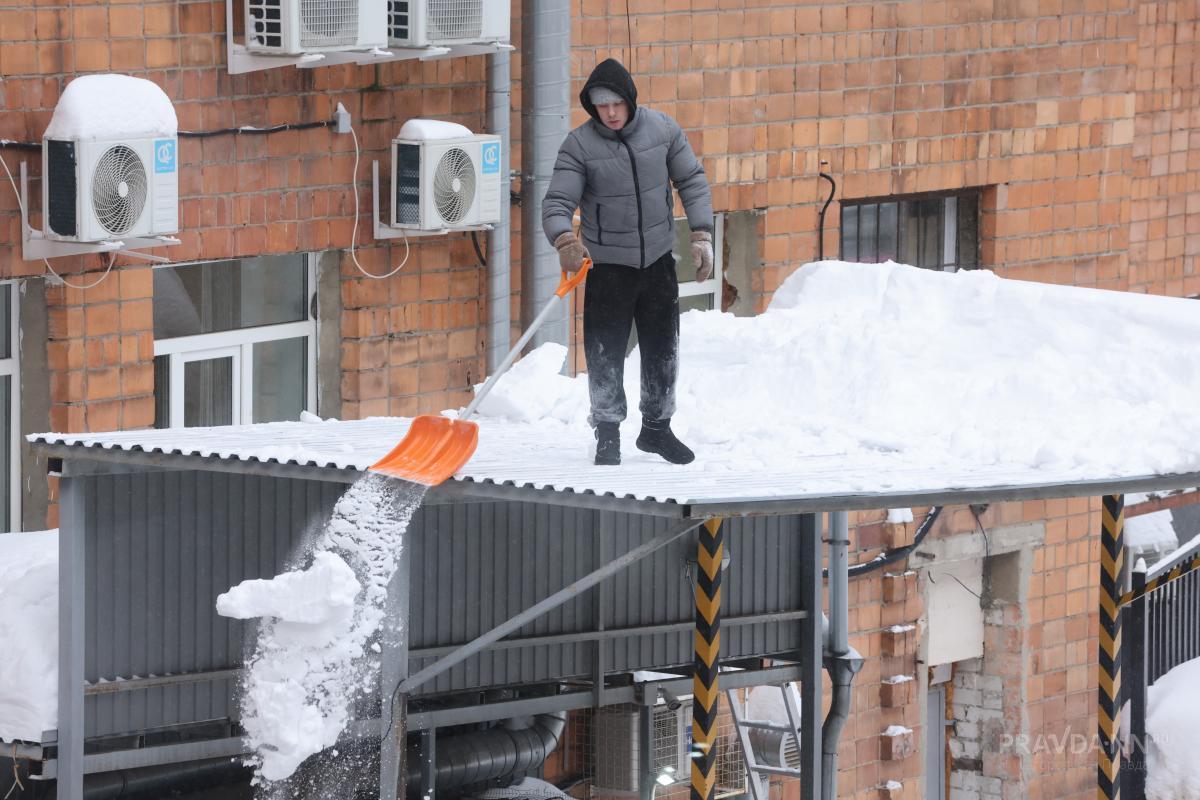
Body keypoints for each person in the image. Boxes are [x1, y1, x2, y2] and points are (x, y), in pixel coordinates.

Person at [542, 58, 714, 466]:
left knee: (663, 350)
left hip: (658, 261)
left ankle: (657, 429)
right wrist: (564, 238)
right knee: (605, 352)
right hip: (608, 267)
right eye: (601, 106)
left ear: (630, 100)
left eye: (616, 103)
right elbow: (557, 201)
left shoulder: (663, 130)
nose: (611, 113)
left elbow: (691, 179)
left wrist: (702, 234)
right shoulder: (579, 146)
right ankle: (607, 434)